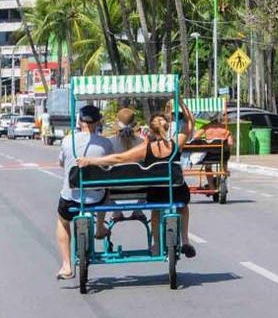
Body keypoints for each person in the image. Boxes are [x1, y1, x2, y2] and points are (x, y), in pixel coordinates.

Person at [78, 103, 196, 258]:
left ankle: (157, 244)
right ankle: (185, 239)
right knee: (183, 205)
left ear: (151, 129)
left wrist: (91, 161)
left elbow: (118, 158)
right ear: (166, 127)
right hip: (176, 192)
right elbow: (190, 123)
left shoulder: (143, 148)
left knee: (156, 210)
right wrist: (181, 102)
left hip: (148, 193)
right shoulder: (175, 144)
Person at [55, 104, 115, 280]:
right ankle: (99, 227)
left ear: (79, 121)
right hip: (97, 198)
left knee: (62, 221)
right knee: (106, 189)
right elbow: (109, 165)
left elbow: (61, 163)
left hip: (71, 198)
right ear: (98, 122)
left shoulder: (67, 141)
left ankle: (67, 265)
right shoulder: (105, 143)